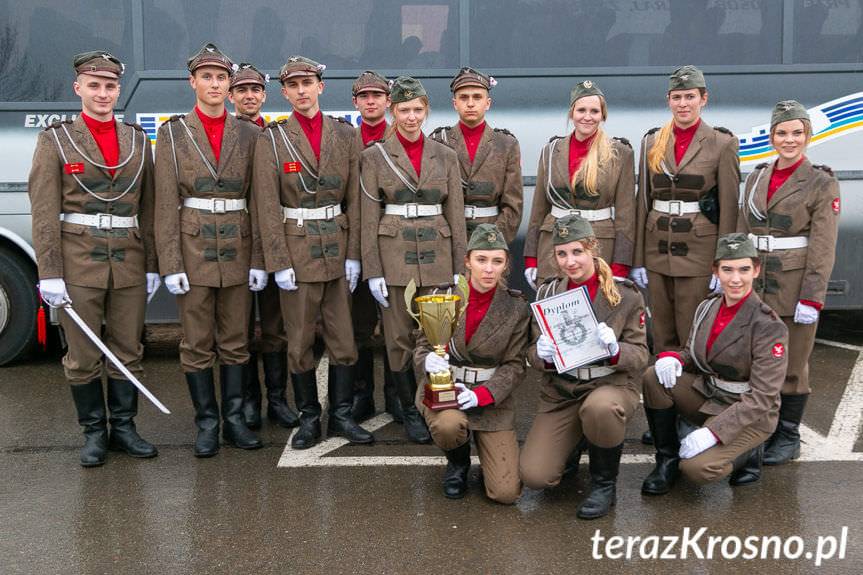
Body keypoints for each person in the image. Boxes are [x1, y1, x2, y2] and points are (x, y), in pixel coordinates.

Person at [29, 50, 159, 467]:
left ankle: (124, 427)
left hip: (129, 260)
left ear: (119, 90)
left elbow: (151, 207)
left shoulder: (137, 140)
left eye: (109, 86)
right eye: (94, 85)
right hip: (78, 260)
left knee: (127, 348)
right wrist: (49, 272)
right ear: (78, 88)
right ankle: (93, 432)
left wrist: (153, 262)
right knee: (83, 354)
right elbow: (44, 210)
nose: (102, 93)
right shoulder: (56, 139)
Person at [254, 56, 373, 449]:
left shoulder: (346, 135)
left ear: (321, 87)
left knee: (344, 340)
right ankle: (308, 418)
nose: (302, 91)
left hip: (337, 252)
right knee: (300, 340)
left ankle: (339, 416)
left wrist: (355, 254)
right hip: (297, 249)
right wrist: (278, 261)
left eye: (308, 83)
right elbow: (266, 206)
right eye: (294, 85)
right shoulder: (272, 139)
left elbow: (356, 198)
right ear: (284, 92)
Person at [154, 42, 265, 457]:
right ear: (193, 82)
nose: (215, 84)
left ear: (230, 85)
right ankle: (207, 423)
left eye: (222, 78)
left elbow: (261, 200)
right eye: (207, 77)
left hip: (238, 247)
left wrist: (259, 259)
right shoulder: (173, 133)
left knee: (236, 341)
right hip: (193, 249)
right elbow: (164, 202)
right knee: (197, 343)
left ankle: (235, 420)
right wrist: (170, 262)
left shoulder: (251, 134)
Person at [360, 76, 467, 444]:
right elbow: (367, 216)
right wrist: (372, 269)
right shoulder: (374, 156)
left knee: (438, 338)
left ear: (426, 111)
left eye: (417, 109)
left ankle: (436, 402)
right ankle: (409, 410)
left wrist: (458, 266)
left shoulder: (446, 155)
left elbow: (455, 213)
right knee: (399, 338)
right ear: (392, 111)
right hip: (395, 258)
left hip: (437, 255)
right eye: (404, 110)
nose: (410, 117)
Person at [520, 215, 648, 519]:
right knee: (534, 476)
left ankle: (605, 483)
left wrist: (616, 350)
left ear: (593, 249)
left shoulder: (625, 295)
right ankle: (574, 440)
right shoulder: (548, 294)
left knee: (600, 409)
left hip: (610, 385)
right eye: (562, 254)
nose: (570, 261)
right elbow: (532, 354)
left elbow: (641, 355)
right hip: (563, 389)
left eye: (577, 252)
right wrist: (540, 353)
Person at [641, 234, 788, 491]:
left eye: (744, 269)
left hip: (749, 413)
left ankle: (748, 455)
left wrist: (713, 433)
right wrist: (674, 358)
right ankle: (667, 460)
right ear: (715, 271)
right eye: (727, 269)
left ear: (756, 270)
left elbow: (763, 397)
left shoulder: (768, 325)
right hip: (710, 395)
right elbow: (693, 353)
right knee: (653, 377)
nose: (735, 279)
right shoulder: (708, 306)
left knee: (698, 469)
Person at [737, 101, 840, 465]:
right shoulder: (757, 176)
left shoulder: (821, 181)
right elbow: (742, 230)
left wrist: (812, 297)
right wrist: (731, 274)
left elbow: (823, 247)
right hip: (756, 282)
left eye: (797, 132)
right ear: (772, 136)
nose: (789, 139)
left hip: (794, 285)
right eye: (782, 132)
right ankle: (761, 429)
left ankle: (789, 435)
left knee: (792, 366)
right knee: (758, 360)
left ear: (808, 136)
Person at [413, 224, 529, 503]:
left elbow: (515, 365)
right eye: (481, 260)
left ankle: (486, 453)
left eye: (497, 261)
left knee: (506, 494)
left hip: (490, 396)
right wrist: (426, 360)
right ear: (467, 261)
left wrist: (481, 396)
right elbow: (421, 347)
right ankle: (458, 463)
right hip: (446, 391)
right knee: (449, 426)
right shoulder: (442, 296)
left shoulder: (515, 307)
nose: (489, 269)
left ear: (505, 265)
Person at [632, 65, 739, 352]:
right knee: (662, 331)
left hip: (699, 252)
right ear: (668, 100)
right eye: (677, 97)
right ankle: (663, 393)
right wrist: (639, 258)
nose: (683, 104)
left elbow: (730, 208)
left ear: (703, 99)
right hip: (658, 249)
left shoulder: (722, 143)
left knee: (693, 330)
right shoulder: (651, 142)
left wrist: (724, 263)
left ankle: (690, 391)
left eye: (690, 96)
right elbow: (643, 200)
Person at [227, 63, 300, 431]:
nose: (249, 96)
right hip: (237, 243)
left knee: (274, 326)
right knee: (238, 330)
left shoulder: (276, 135)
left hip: (275, 243)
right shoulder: (226, 135)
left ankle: (277, 399)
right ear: (231, 96)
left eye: (255, 90)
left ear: (264, 95)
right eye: (242, 90)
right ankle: (248, 402)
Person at [524, 80, 635, 289]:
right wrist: (531, 258)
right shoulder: (551, 151)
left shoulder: (620, 153)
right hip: (554, 244)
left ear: (603, 115)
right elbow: (538, 209)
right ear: (571, 113)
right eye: (581, 110)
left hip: (598, 244)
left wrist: (620, 265)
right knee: (553, 309)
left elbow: (626, 216)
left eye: (594, 111)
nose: (587, 116)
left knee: (596, 313)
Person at [349, 70, 402, 424]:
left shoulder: (403, 137)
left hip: (397, 241)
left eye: (378, 95)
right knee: (359, 325)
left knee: (398, 325)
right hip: (358, 240)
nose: (371, 101)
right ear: (356, 102)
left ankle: (398, 397)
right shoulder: (345, 140)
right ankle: (361, 396)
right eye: (365, 96)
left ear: (388, 102)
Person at [429, 67, 523, 243]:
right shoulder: (438, 141)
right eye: (464, 98)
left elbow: (513, 204)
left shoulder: (506, 144)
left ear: (487, 103)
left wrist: (493, 240)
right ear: (455, 103)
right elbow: (431, 198)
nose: (470, 103)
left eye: (477, 97)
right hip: (447, 238)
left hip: (492, 236)